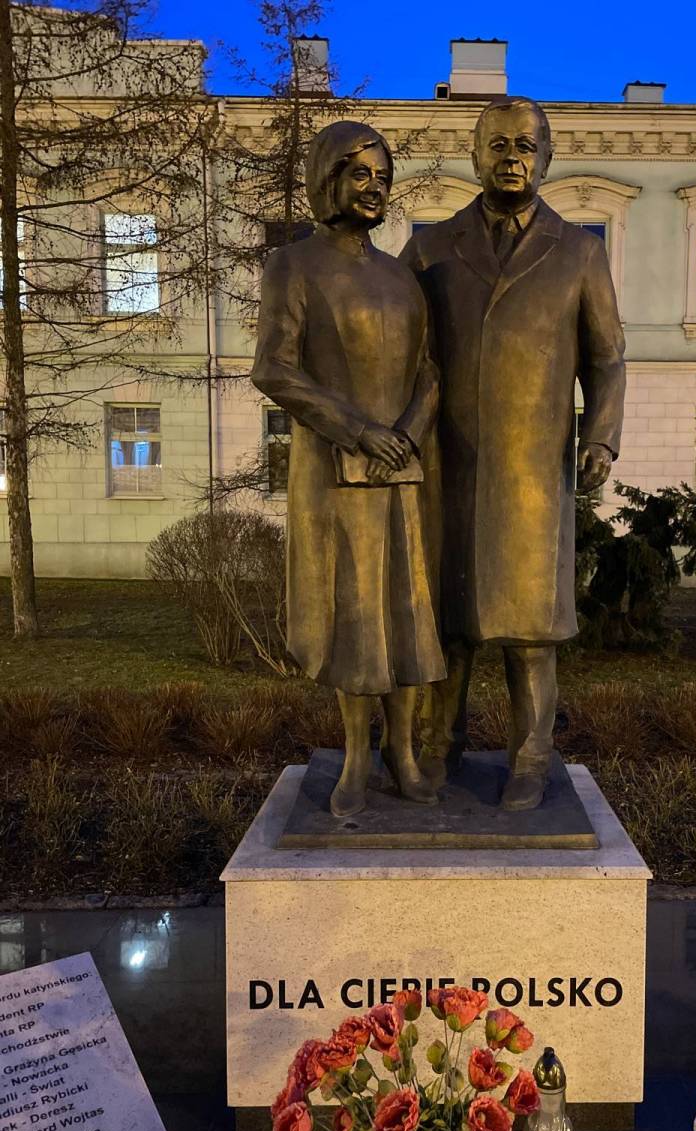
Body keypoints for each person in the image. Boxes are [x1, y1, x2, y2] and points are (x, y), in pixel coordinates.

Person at [401, 97, 626, 811]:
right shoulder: (430, 249)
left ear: (546, 158)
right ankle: (437, 746)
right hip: (448, 466)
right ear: (475, 156)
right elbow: (401, 349)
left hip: (534, 471)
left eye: (525, 146)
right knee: (449, 623)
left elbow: (607, 358)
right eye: (497, 145)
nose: (511, 158)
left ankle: (531, 757)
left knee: (531, 630)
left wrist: (600, 437)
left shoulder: (580, 252)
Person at [252, 121, 444, 818]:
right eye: (360, 173)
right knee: (356, 622)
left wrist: (407, 435)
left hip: (401, 474)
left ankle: (404, 752)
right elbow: (274, 369)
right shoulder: (293, 266)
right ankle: (358, 758)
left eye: (383, 177)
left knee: (408, 617)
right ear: (327, 178)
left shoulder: (401, 276)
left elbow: (429, 373)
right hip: (336, 473)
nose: (374, 188)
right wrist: (361, 431)